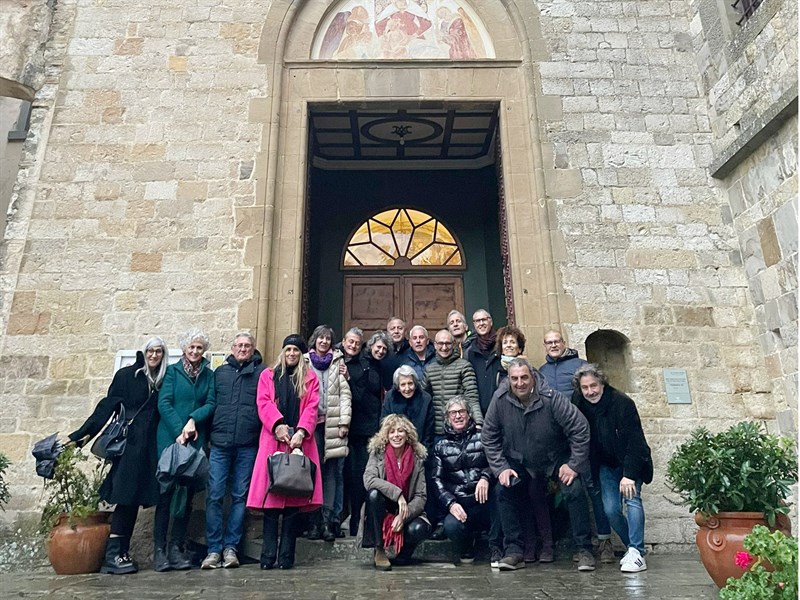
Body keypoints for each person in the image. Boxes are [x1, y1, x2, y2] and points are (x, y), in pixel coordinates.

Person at [481, 358, 595, 572]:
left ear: (532, 377)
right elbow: (489, 436)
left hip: (555, 459)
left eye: (524, 377)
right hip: (520, 461)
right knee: (502, 491)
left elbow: (580, 428)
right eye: (514, 379)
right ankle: (513, 550)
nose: (520, 383)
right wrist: (501, 467)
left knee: (574, 489)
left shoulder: (552, 398)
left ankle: (584, 549)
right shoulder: (500, 399)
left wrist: (573, 464)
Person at [68, 336, 168, 575]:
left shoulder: (162, 380)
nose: (154, 355)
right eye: (150, 351)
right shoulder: (127, 376)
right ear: (144, 352)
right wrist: (82, 435)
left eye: (159, 352)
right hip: (130, 448)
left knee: (133, 501)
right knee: (124, 498)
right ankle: (113, 555)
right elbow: (107, 406)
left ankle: (122, 551)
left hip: (149, 450)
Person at [246, 335, 323, 570]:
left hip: (299, 441)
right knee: (272, 499)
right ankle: (268, 556)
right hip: (274, 439)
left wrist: (301, 432)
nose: (291, 354)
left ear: (301, 354)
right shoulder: (268, 375)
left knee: (293, 499)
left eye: (296, 350)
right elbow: (264, 402)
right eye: (288, 349)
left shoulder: (310, 378)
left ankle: (287, 557)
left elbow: (312, 406)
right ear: (283, 351)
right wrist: (277, 425)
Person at [572, 364, 653, 573]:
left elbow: (636, 442)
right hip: (606, 465)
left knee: (632, 500)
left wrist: (629, 475)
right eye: (585, 387)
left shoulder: (622, 403)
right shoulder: (579, 402)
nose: (590, 392)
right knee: (610, 509)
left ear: (602, 383)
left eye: (594, 386)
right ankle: (634, 550)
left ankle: (636, 549)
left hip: (630, 462)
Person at [200, 332, 265, 570]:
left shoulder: (262, 373)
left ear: (253, 349)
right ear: (232, 348)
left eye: (247, 346)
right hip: (219, 444)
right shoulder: (220, 373)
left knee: (240, 497)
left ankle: (231, 548)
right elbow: (210, 404)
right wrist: (207, 438)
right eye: (239, 345)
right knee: (215, 495)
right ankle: (213, 550)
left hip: (248, 445)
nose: (243, 349)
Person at [154, 328, 217, 572]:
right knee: (166, 494)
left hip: (193, 441)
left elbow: (210, 403)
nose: (194, 351)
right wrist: (179, 429)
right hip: (170, 440)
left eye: (199, 347)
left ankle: (176, 547)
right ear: (184, 349)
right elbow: (164, 403)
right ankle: (159, 550)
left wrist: (192, 420)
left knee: (187, 495)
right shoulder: (172, 372)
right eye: (191, 347)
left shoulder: (208, 376)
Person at [359, 414, 431, 571]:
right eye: (391, 431)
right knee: (373, 494)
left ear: (408, 435)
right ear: (386, 435)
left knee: (419, 528)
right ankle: (379, 550)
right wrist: (398, 495)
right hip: (383, 507)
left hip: (406, 510)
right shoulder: (378, 453)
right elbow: (369, 479)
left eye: (400, 431)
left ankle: (404, 554)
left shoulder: (417, 457)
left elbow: (421, 496)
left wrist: (403, 516)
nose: (396, 435)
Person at [431, 396, 494, 564]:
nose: (458, 416)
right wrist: (450, 503)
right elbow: (436, 480)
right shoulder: (440, 445)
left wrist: (485, 477)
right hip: (459, 502)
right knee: (452, 527)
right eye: (453, 413)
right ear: (447, 418)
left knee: (502, 504)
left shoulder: (483, 437)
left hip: (483, 499)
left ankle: (498, 548)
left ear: (469, 415)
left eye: (461, 412)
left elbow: (496, 463)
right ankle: (467, 546)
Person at [305, 325, 351, 541]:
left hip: (333, 425)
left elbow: (344, 395)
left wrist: (344, 422)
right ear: (314, 340)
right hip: (310, 426)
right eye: (320, 337)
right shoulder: (304, 361)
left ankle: (328, 521)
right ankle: (312, 522)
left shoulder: (338, 362)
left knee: (332, 473)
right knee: (311, 472)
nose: (323, 341)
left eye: (327, 338)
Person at [342, 328, 383, 536]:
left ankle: (360, 521)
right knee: (344, 476)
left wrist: (349, 379)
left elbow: (363, 396)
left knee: (362, 477)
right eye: (350, 342)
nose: (353, 346)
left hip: (364, 430)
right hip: (342, 429)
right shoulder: (337, 360)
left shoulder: (367, 366)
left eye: (357, 343)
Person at [421, 329, 482, 435]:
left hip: (460, 429)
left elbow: (472, 397)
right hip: (437, 430)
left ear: (453, 344)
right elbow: (422, 398)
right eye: (440, 343)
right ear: (435, 345)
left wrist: (478, 422)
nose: (444, 347)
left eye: (448, 343)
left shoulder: (464, 366)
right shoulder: (429, 369)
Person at [381, 365, 436, 453]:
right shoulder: (390, 397)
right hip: (395, 448)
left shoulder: (425, 399)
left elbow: (428, 432)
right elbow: (384, 426)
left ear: (415, 384)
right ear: (398, 387)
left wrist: (422, 452)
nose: (407, 388)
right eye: (403, 384)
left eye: (410, 383)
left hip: (419, 449)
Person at [467, 310, 503, 417]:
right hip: (479, 412)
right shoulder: (470, 352)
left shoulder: (502, 346)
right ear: (474, 325)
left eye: (484, 320)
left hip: (501, 408)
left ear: (490, 322)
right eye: (477, 321)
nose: (481, 323)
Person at [539, 330, 588, 396]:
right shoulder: (542, 371)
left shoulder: (581, 365)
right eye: (549, 343)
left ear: (563, 343)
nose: (553, 345)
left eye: (557, 342)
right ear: (545, 346)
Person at [380, 317, 408, 390]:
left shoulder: (412, 349)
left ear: (405, 332)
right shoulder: (381, 351)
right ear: (387, 332)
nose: (396, 331)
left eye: (400, 328)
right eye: (392, 328)